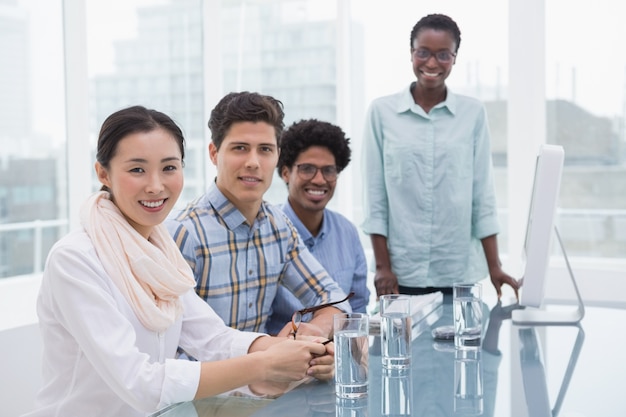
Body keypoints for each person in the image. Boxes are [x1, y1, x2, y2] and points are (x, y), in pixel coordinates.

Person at [24, 106, 333, 417]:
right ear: (103, 173)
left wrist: (293, 350)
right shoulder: (75, 259)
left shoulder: (159, 249)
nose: (156, 185)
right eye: (137, 170)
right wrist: (263, 364)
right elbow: (141, 384)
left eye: (169, 168)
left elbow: (211, 337)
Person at [167, 92, 350, 339]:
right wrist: (264, 363)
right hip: (218, 376)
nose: (253, 162)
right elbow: (169, 349)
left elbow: (332, 296)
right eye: (240, 148)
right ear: (213, 153)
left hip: (269, 373)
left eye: (265, 149)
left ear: (277, 155)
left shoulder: (278, 226)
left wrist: (314, 334)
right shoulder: (183, 233)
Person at [362, 13, 519, 299]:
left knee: (465, 343)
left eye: (443, 55)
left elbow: (482, 195)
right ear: (411, 53)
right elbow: (376, 197)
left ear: (455, 58)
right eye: (423, 53)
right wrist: (382, 267)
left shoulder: (473, 114)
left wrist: (494, 266)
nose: (432, 63)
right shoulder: (381, 113)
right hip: (400, 275)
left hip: (459, 273)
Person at [266, 119, 370, 335]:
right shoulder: (268, 232)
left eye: (329, 171)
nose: (319, 180)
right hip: (280, 356)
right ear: (285, 172)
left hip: (335, 358)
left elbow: (358, 310)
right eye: (307, 169)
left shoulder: (347, 232)